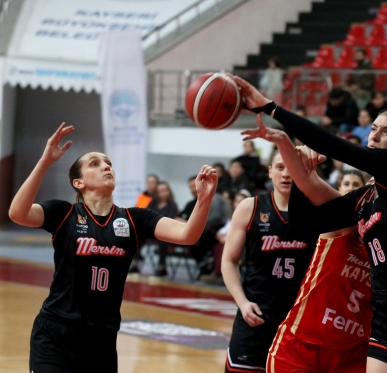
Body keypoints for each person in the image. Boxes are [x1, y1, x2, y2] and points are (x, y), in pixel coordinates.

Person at [234, 76, 387, 373]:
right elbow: (304, 224)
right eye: (373, 129)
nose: (375, 136)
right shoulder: (364, 197)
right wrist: (293, 155)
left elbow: (339, 148)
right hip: (386, 308)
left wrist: (272, 108)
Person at [8, 123, 217, 373]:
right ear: (78, 182)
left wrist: (204, 200)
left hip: (102, 339)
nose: (106, 166)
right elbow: (18, 213)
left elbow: (188, 235)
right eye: (95, 164)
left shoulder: (135, 219)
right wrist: (45, 161)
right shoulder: (64, 213)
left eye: (108, 163)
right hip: (56, 334)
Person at [248, 119, 371, 373]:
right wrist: (287, 145)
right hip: (303, 344)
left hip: (353, 352)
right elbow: (308, 183)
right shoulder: (343, 222)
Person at [221, 152, 318, 372]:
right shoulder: (250, 207)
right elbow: (229, 260)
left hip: (297, 319)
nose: (286, 174)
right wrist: (242, 303)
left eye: (292, 167)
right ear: (270, 172)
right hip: (256, 313)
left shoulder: (317, 210)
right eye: (280, 167)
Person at [146, 181, 179, 277]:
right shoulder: (153, 203)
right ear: (157, 193)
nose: (163, 193)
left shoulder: (172, 205)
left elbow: (169, 219)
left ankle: (162, 267)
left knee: (162, 238)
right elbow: (146, 216)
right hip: (151, 230)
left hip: (165, 232)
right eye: (160, 191)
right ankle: (135, 263)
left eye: (165, 190)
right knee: (136, 234)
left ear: (169, 191)